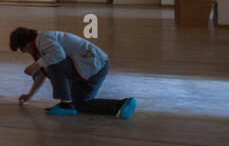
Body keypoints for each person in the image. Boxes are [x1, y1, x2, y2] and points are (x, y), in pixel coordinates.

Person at [8, 27, 137, 118]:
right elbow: (42, 74)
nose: (24, 52)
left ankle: (65, 104)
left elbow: (58, 55)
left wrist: (36, 65)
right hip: (95, 68)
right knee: (80, 104)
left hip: (93, 64)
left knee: (53, 63)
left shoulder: (44, 39)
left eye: (21, 49)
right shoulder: (40, 48)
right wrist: (29, 95)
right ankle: (121, 105)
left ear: (26, 45)